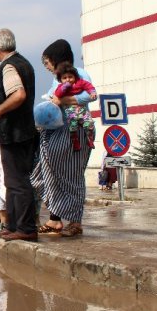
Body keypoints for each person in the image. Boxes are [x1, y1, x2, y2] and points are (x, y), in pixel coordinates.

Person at [31, 39, 96, 238]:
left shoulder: (79, 73)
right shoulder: (56, 79)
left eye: (48, 61)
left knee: (72, 175)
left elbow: (91, 95)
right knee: (48, 171)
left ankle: (75, 222)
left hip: (75, 130)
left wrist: (62, 100)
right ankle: (55, 218)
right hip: (58, 130)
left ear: (57, 58)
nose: (47, 67)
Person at [0, 28, 38, 242]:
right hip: (22, 132)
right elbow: (8, 87)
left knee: (17, 182)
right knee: (13, 180)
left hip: (14, 133)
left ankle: (25, 228)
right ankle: (15, 225)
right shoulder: (19, 63)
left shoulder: (11, 66)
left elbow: (18, 94)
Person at [54, 62, 97, 151]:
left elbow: (88, 86)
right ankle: (75, 142)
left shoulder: (80, 83)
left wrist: (92, 92)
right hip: (70, 111)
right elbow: (57, 94)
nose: (68, 80)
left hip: (82, 110)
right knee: (73, 127)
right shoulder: (61, 87)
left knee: (89, 124)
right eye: (64, 78)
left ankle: (90, 139)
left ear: (75, 77)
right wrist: (64, 87)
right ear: (60, 79)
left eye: (70, 77)